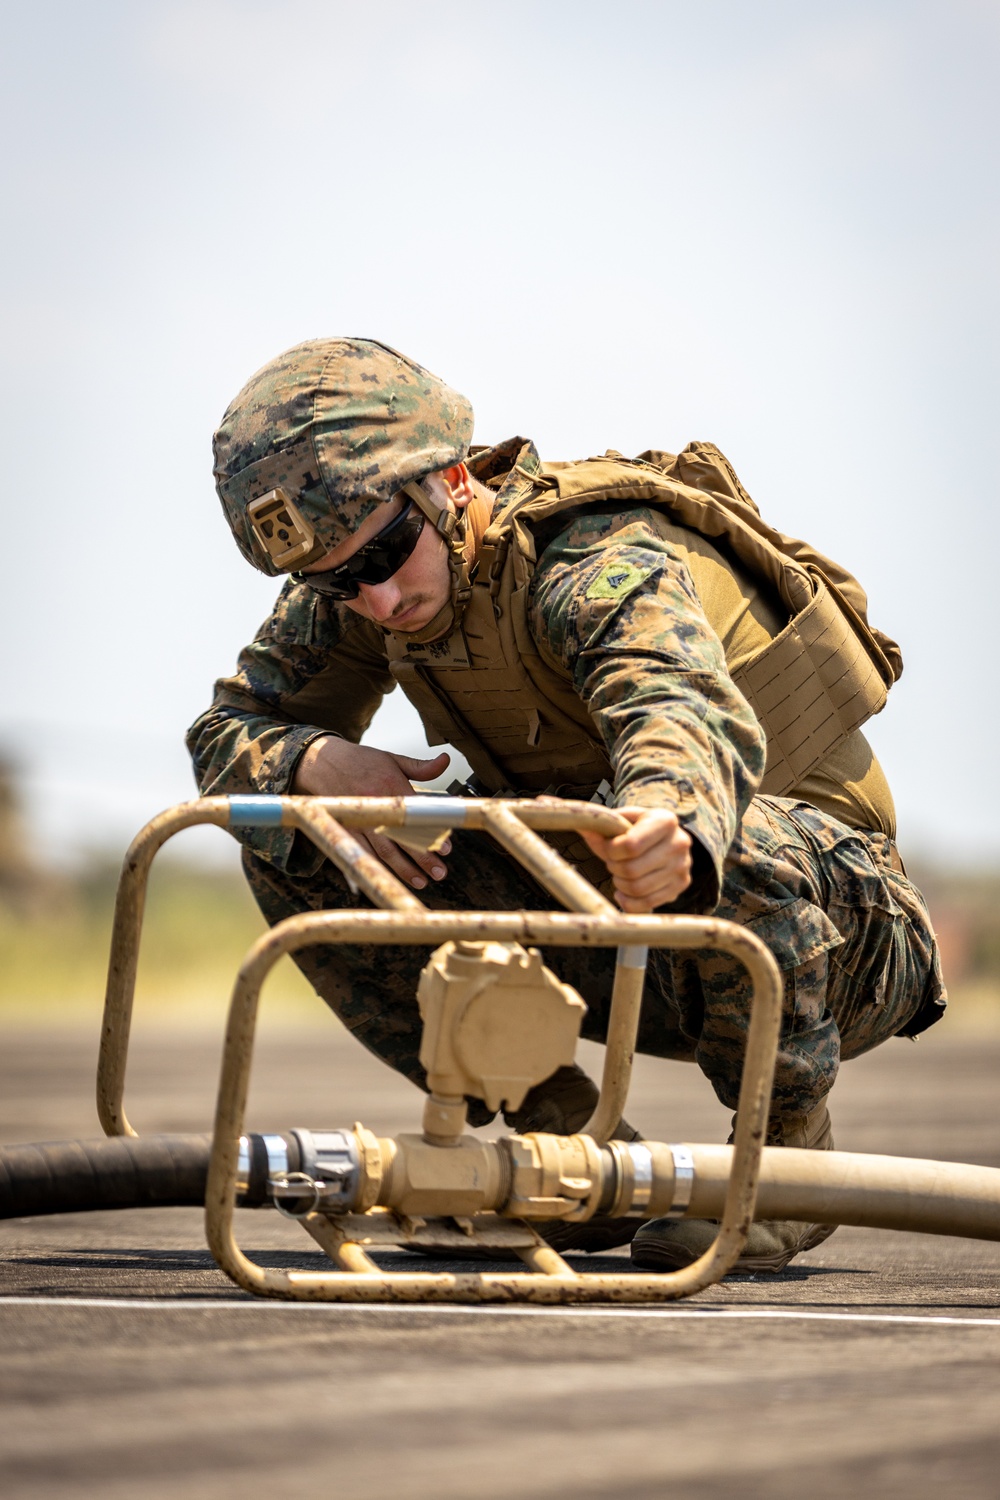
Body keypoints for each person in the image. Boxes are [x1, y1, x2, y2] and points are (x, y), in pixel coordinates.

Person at [188, 337, 946, 1272]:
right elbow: (226, 733)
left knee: (733, 835)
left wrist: (673, 820)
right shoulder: (359, 592)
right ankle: (575, 1143)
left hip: (836, 933)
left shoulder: (591, 556)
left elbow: (677, 708)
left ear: (451, 481)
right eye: (338, 579)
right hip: (617, 926)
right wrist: (311, 763)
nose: (377, 597)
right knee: (290, 837)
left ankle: (786, 1166)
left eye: (387, 553)